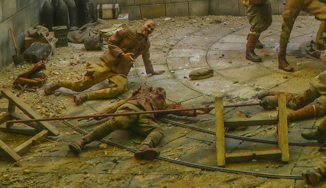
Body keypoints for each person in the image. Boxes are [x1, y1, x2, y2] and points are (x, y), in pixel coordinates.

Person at [67, 87, 208, 160]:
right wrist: (98, 115)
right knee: (120, 120)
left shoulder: (163, 105)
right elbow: (117, 105)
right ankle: (83, 141)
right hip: (131, 109)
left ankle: (144, 148)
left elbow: (179, 109)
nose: (158, 93)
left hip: (145, 117)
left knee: (158, 130)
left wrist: (198, 111)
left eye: (161, 94)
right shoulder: (139, 94)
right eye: (157, 91)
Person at [45, 20, 164, 104]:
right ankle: (58, 83)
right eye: (148, 26)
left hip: (121, 71)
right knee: (81, 85)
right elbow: (111, 42)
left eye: (152, 29)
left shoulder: (146, 44)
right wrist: (122, 54)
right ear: (143, 24)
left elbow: (146, 59)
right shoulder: (128, 31)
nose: (149, 29)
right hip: (108, 63)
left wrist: (152, 71)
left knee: (116, 90)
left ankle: (86, 96)